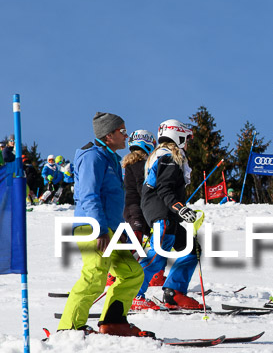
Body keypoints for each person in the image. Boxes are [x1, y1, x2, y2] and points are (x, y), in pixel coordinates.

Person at [57, 112, 153, 337]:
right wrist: (99, 229)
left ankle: (113, 322)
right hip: (93, 227)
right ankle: (69, 327)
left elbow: (112, 200)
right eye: (122, 131)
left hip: (110, 229)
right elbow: (89, 195)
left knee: (132, 273)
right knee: (95, 276)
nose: (126, 136)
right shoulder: (93, 157)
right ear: (108, 134)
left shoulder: (109, 157)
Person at [139, 119, 205, 310]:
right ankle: (133, 293)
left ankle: (174, 293)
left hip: (168, 215)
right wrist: (180, 208)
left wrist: (178, 210)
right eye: (187, 139)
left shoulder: (166, 156)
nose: (188, 143)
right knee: (157, 256)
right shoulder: (167, 157)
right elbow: (164, 189)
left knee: (192, 250)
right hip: (163, 214)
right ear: (179, 136)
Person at [119, 129, 164, 311]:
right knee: (135, 246)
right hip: (136, 209)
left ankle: (152, 277)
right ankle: (122, 281)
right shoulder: (139, 163)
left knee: (145, 245)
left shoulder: (132, 162)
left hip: (133, 210)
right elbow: (141, 188)